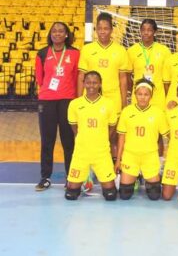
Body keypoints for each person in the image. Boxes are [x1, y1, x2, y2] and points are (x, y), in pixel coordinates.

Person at [77, 12, 130, 159]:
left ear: (111, 30)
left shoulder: (120, 50)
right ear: (95, 29)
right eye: (99, 28)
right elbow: (81, 76)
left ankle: (114, 167)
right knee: (91, 133)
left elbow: (123, 79)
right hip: (92, 99)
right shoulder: (87, 49)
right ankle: (90, 167)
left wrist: (125, 103)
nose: (102, 31)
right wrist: (78, 99)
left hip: (113, 99)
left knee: (113, 136)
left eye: (106, 28)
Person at [34, 22, 79, 191]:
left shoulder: (75, 53)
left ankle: (71, 176)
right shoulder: (42, 53)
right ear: (50, 34)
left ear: (67, 34)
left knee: (68, 141)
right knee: (47, 140)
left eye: (61, 31)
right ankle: (45, 177)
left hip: (68, 101)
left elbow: (76, 78)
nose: (58, 34)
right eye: (54, 31)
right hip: (47, 101)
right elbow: (40, 78)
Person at [65, 71, 118, 201]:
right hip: (81, 152)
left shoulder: (109, 104)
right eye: (88, 82)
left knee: (110, 195)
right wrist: (83, 138)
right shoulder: (75, 104)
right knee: (71, 194)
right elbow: (74, 127)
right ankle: (82, 179)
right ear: (83, 84)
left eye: (95, 83)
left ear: (100, 84)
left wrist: (101, 138)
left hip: (102, 153)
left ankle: (96, 179)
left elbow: (112, 127)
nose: (91, 86)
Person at [115, 78, 169, 200]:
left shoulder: (158, 113)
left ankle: (147, 177)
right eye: (140, 94)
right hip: (130, 155)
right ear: (135, 95)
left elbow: (167, 135)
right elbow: (121, 137)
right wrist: (118, 160)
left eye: (146, 94)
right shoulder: (127, 111)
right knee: (124, 195)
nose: (143, 97)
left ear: (151, 96)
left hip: (149, 156)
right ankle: (135, 178)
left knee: (154, 195)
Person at [127, 19, 171, 109]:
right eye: (143, 30)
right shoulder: (131, 51)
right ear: (140, 31)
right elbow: (127, 77)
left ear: (155, 32)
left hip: (158, 98)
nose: (146, 33)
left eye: (149, 30)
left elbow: (168, 77)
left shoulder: (164, 51)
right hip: (138, 97)